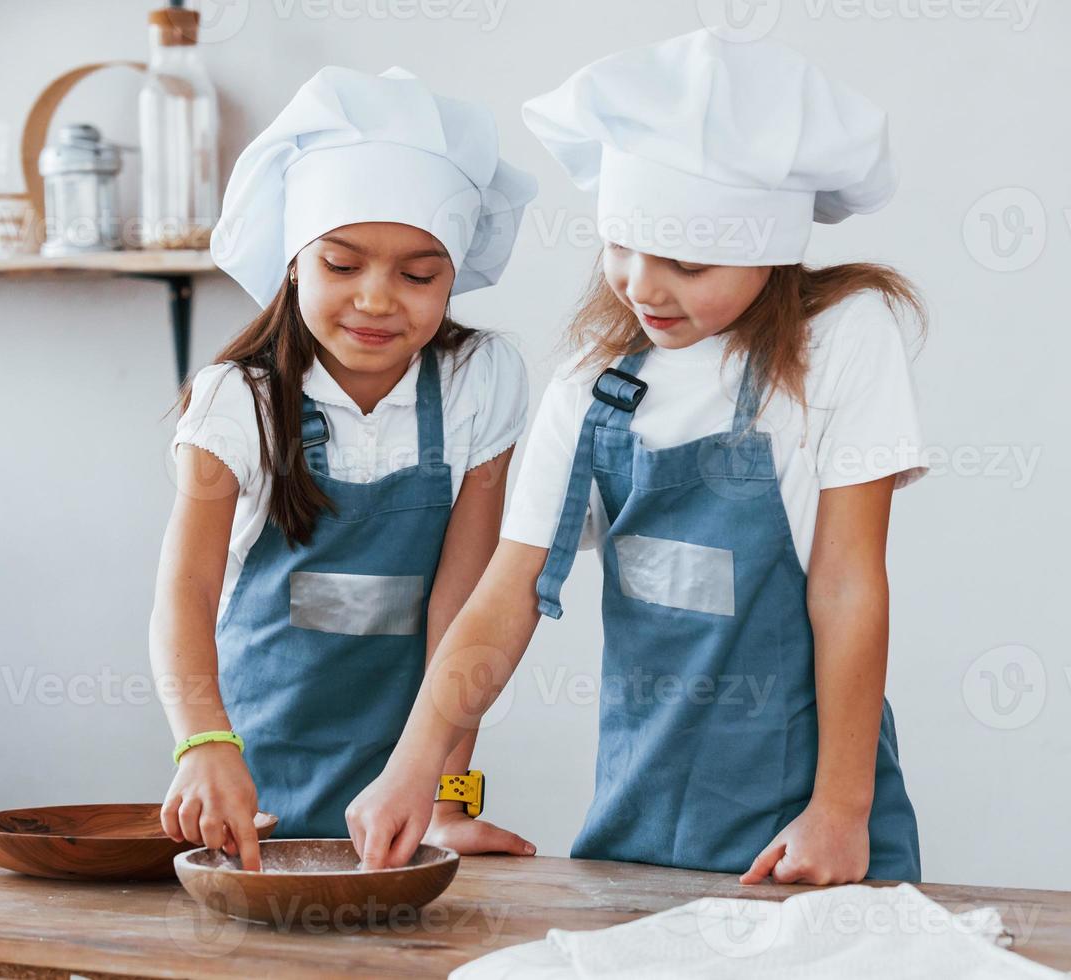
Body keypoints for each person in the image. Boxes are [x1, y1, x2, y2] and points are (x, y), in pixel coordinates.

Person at [345, 30, 928, 886]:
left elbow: (846, 585)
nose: (643, 287)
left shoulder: (842, 340)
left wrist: (841, 811)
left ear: (768, 249)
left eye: (688, 265)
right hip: (639, 820)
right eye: (620, 246)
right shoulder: (593, 384)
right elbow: (505, 595)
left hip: (809, 822)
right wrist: (416, 767)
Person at [149, 65, 539, 871]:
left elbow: (462, 606)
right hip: (249, 787)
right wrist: (203, 743)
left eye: (418, 274)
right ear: (293, 261)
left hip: (406, 794)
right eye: (342, 264)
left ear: (453, 275)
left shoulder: (480, 381)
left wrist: (446, 793)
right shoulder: (238, 401)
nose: (376, 298)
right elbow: (184, 589)